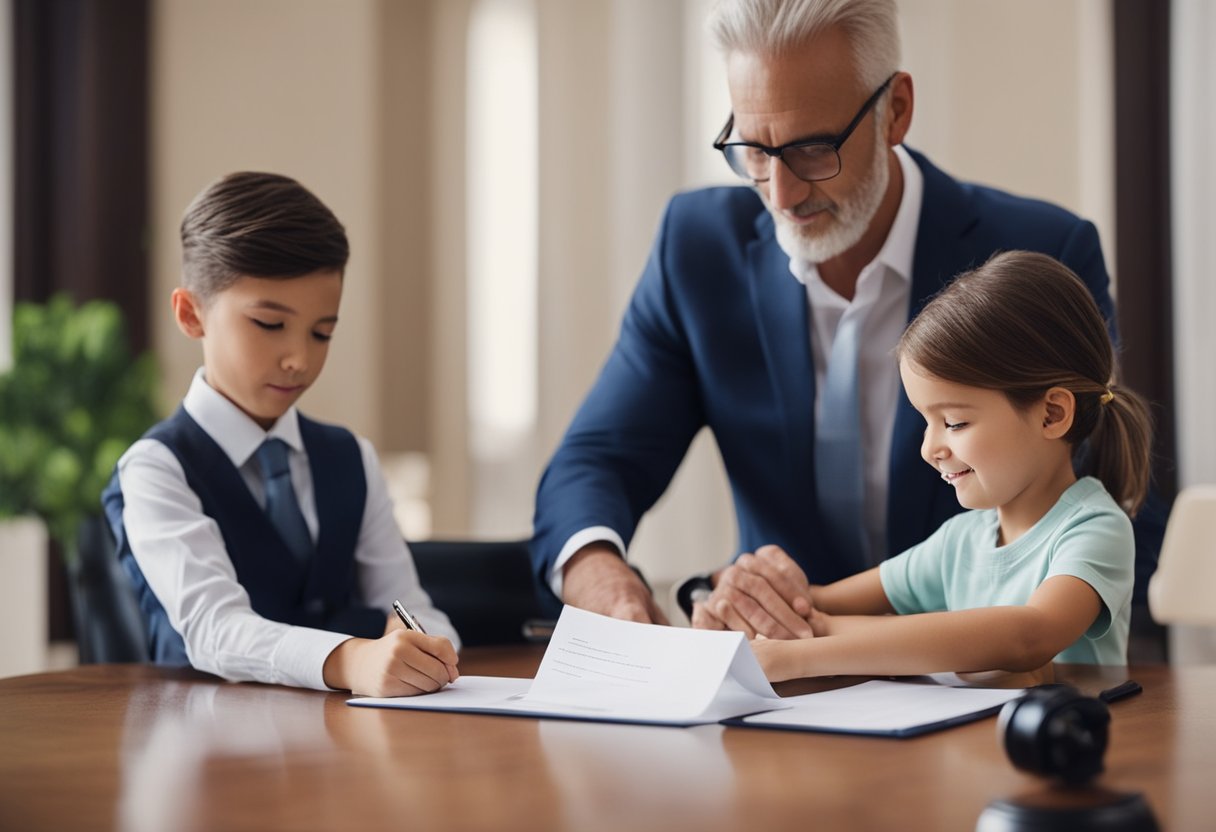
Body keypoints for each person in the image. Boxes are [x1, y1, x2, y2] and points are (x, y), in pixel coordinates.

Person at [530, 0, 1163, 634]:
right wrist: (607, 582)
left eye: (810, 148)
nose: (780, 194)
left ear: (896, 111)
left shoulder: (1039, 252)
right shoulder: (697, 249)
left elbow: (1102, 484)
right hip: (781, 683)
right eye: (752, 149)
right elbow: (599, 458)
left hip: (991, 680)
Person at [102, 172, 459, 696]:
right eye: (270, 325)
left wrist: (422, 646)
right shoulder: (157, 468)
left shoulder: (349, 457)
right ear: (190, 313)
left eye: (323, 333)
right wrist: (353, 661)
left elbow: (406, 600)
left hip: (342, 745)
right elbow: (214, 629)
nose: (300, 359)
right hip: (203, 747)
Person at [750, 250, 1151, 680]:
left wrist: (803, 651)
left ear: (1052, 415)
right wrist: (756, 591)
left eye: (954, 422)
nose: (929, 448)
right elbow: (817, 604)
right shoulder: (959, 542)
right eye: (926, 422)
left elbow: (1027, 637)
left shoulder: (1095, 528)